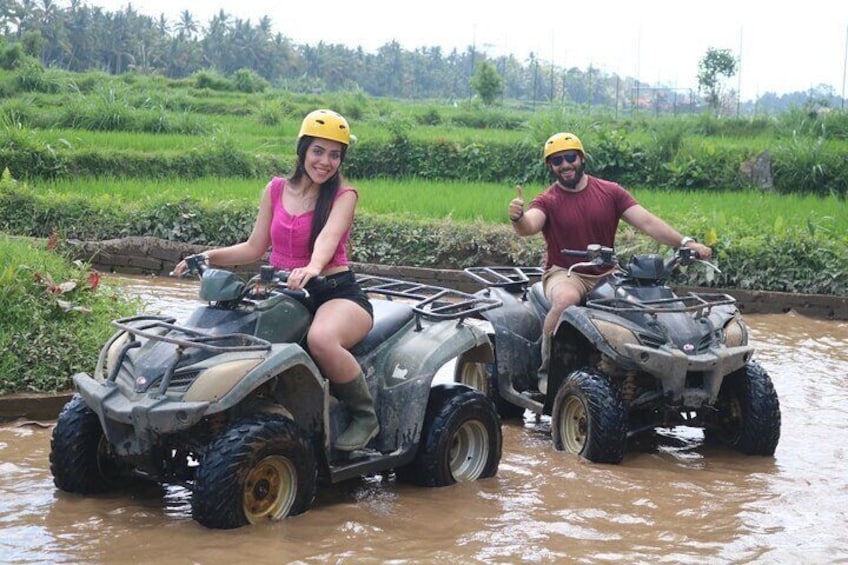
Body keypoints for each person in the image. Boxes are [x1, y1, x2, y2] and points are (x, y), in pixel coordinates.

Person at [173, 109, 377, 452]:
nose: (325, 162)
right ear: (302, 150)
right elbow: (254, 247)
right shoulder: (276, 189)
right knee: (229, 330)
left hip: (334, 292)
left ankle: (364, 416)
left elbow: (328, 239)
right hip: (285, 292)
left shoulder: (345, 196)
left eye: (334, 154)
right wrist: (207, 256)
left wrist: (312, 266)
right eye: (318, 151)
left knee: (322, 339)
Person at [508, 132, 713, 393]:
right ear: (551, 166)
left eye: (570, 157)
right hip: (567, 271)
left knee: (646, 306)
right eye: (557, 161)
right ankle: (547, 372)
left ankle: (646, 372)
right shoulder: (548, 200)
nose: (565, 165)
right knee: (565, 301)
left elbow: (648, 222)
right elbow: (530, 225)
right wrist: (518, 218)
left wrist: (686, 243)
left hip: (608, 271)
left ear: (581, 158)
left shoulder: (610, 192)